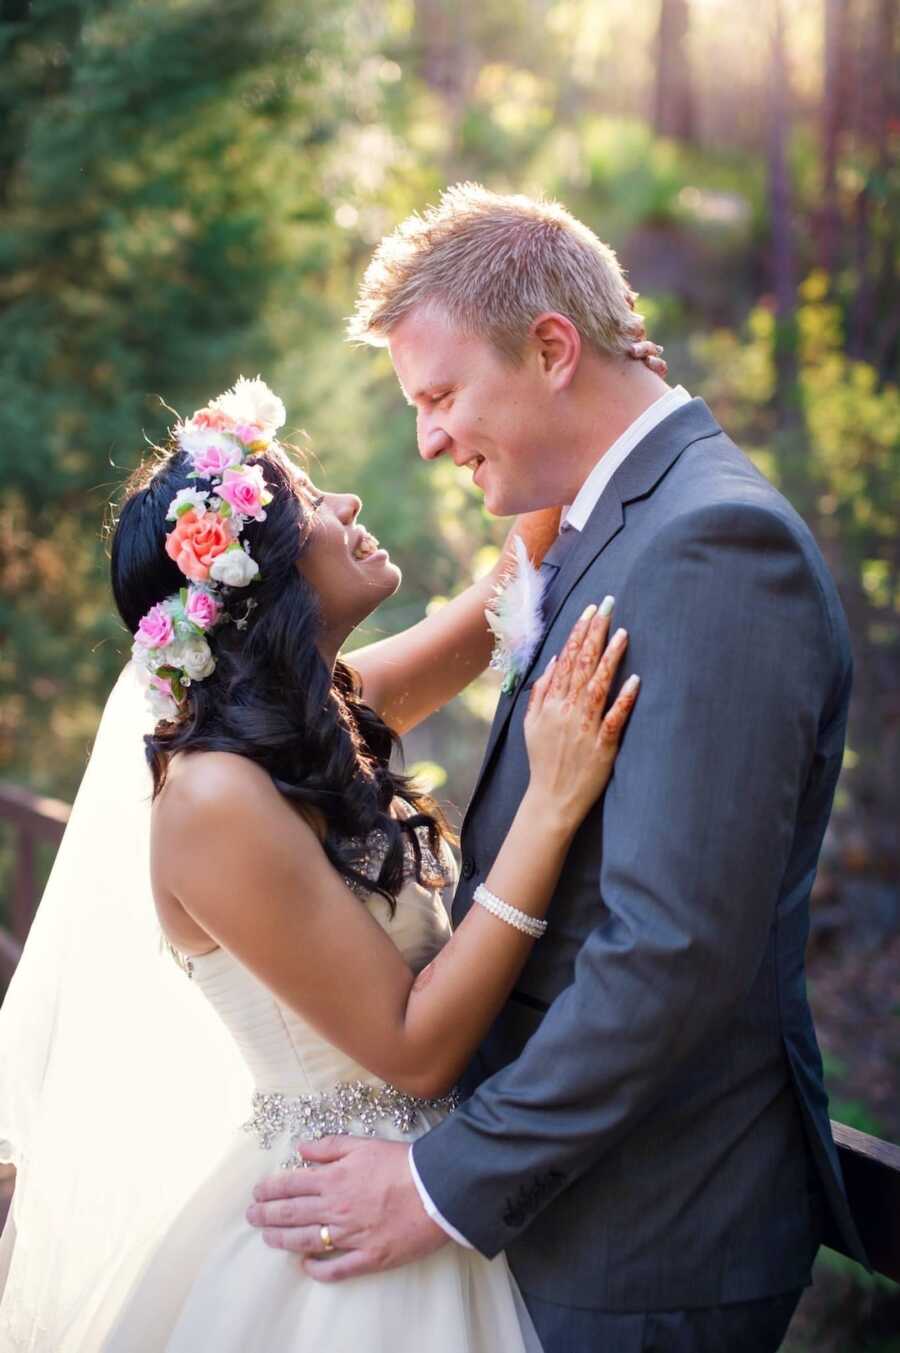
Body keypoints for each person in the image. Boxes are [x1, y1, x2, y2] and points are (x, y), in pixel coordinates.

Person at [249, 185, 870, 1353]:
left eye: (439, 396)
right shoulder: (602, 525)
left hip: (644, 1243)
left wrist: (439, 1181)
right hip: (570, 1216)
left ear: (550, 348)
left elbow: (672, 950)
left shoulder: (712, 547)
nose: (427, 439)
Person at [0, 373, 649, 1350]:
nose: (347, 505)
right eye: (309, 500)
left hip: (431, 1182)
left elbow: (487, 609)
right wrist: (552, 809)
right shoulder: (214, 798)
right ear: (260, 572)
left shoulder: (311, 726)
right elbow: (414, 1046)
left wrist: (579, 395)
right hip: (346, 1236)